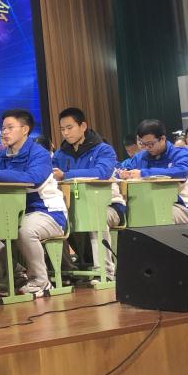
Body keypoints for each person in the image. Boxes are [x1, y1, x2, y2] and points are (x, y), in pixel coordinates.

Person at [0, 109, 67, 297]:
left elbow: (33, 178)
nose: (4, 132)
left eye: (10, 127)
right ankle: (16, 276)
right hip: (12, 213)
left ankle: (41, 282)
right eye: (3, 128)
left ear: (25, 129)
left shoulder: (39, 154)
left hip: (47, 212)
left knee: (25, 230)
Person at [51, 107, 122, 280]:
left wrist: (66, 175)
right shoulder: (60, 154)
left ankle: (105, 272)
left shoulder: (104, 150)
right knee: (52, 219)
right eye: (62, 129)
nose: (65, 133)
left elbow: (102, 172)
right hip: (74, 206)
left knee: (97, 216)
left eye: (69, 128)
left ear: (83, 126)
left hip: (109, 205)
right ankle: (66, 271)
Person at [119, 119, 188, 224]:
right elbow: (119, 168)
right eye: (142, 144)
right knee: (131, 214)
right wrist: (123, 173)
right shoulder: (141, 157)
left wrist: (143, 174)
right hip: (145, 204)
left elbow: (182, 171)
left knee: (157, 215)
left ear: (162, 138)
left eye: (150, 144)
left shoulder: (180, 154)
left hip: (180, 205)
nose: (146, 148)